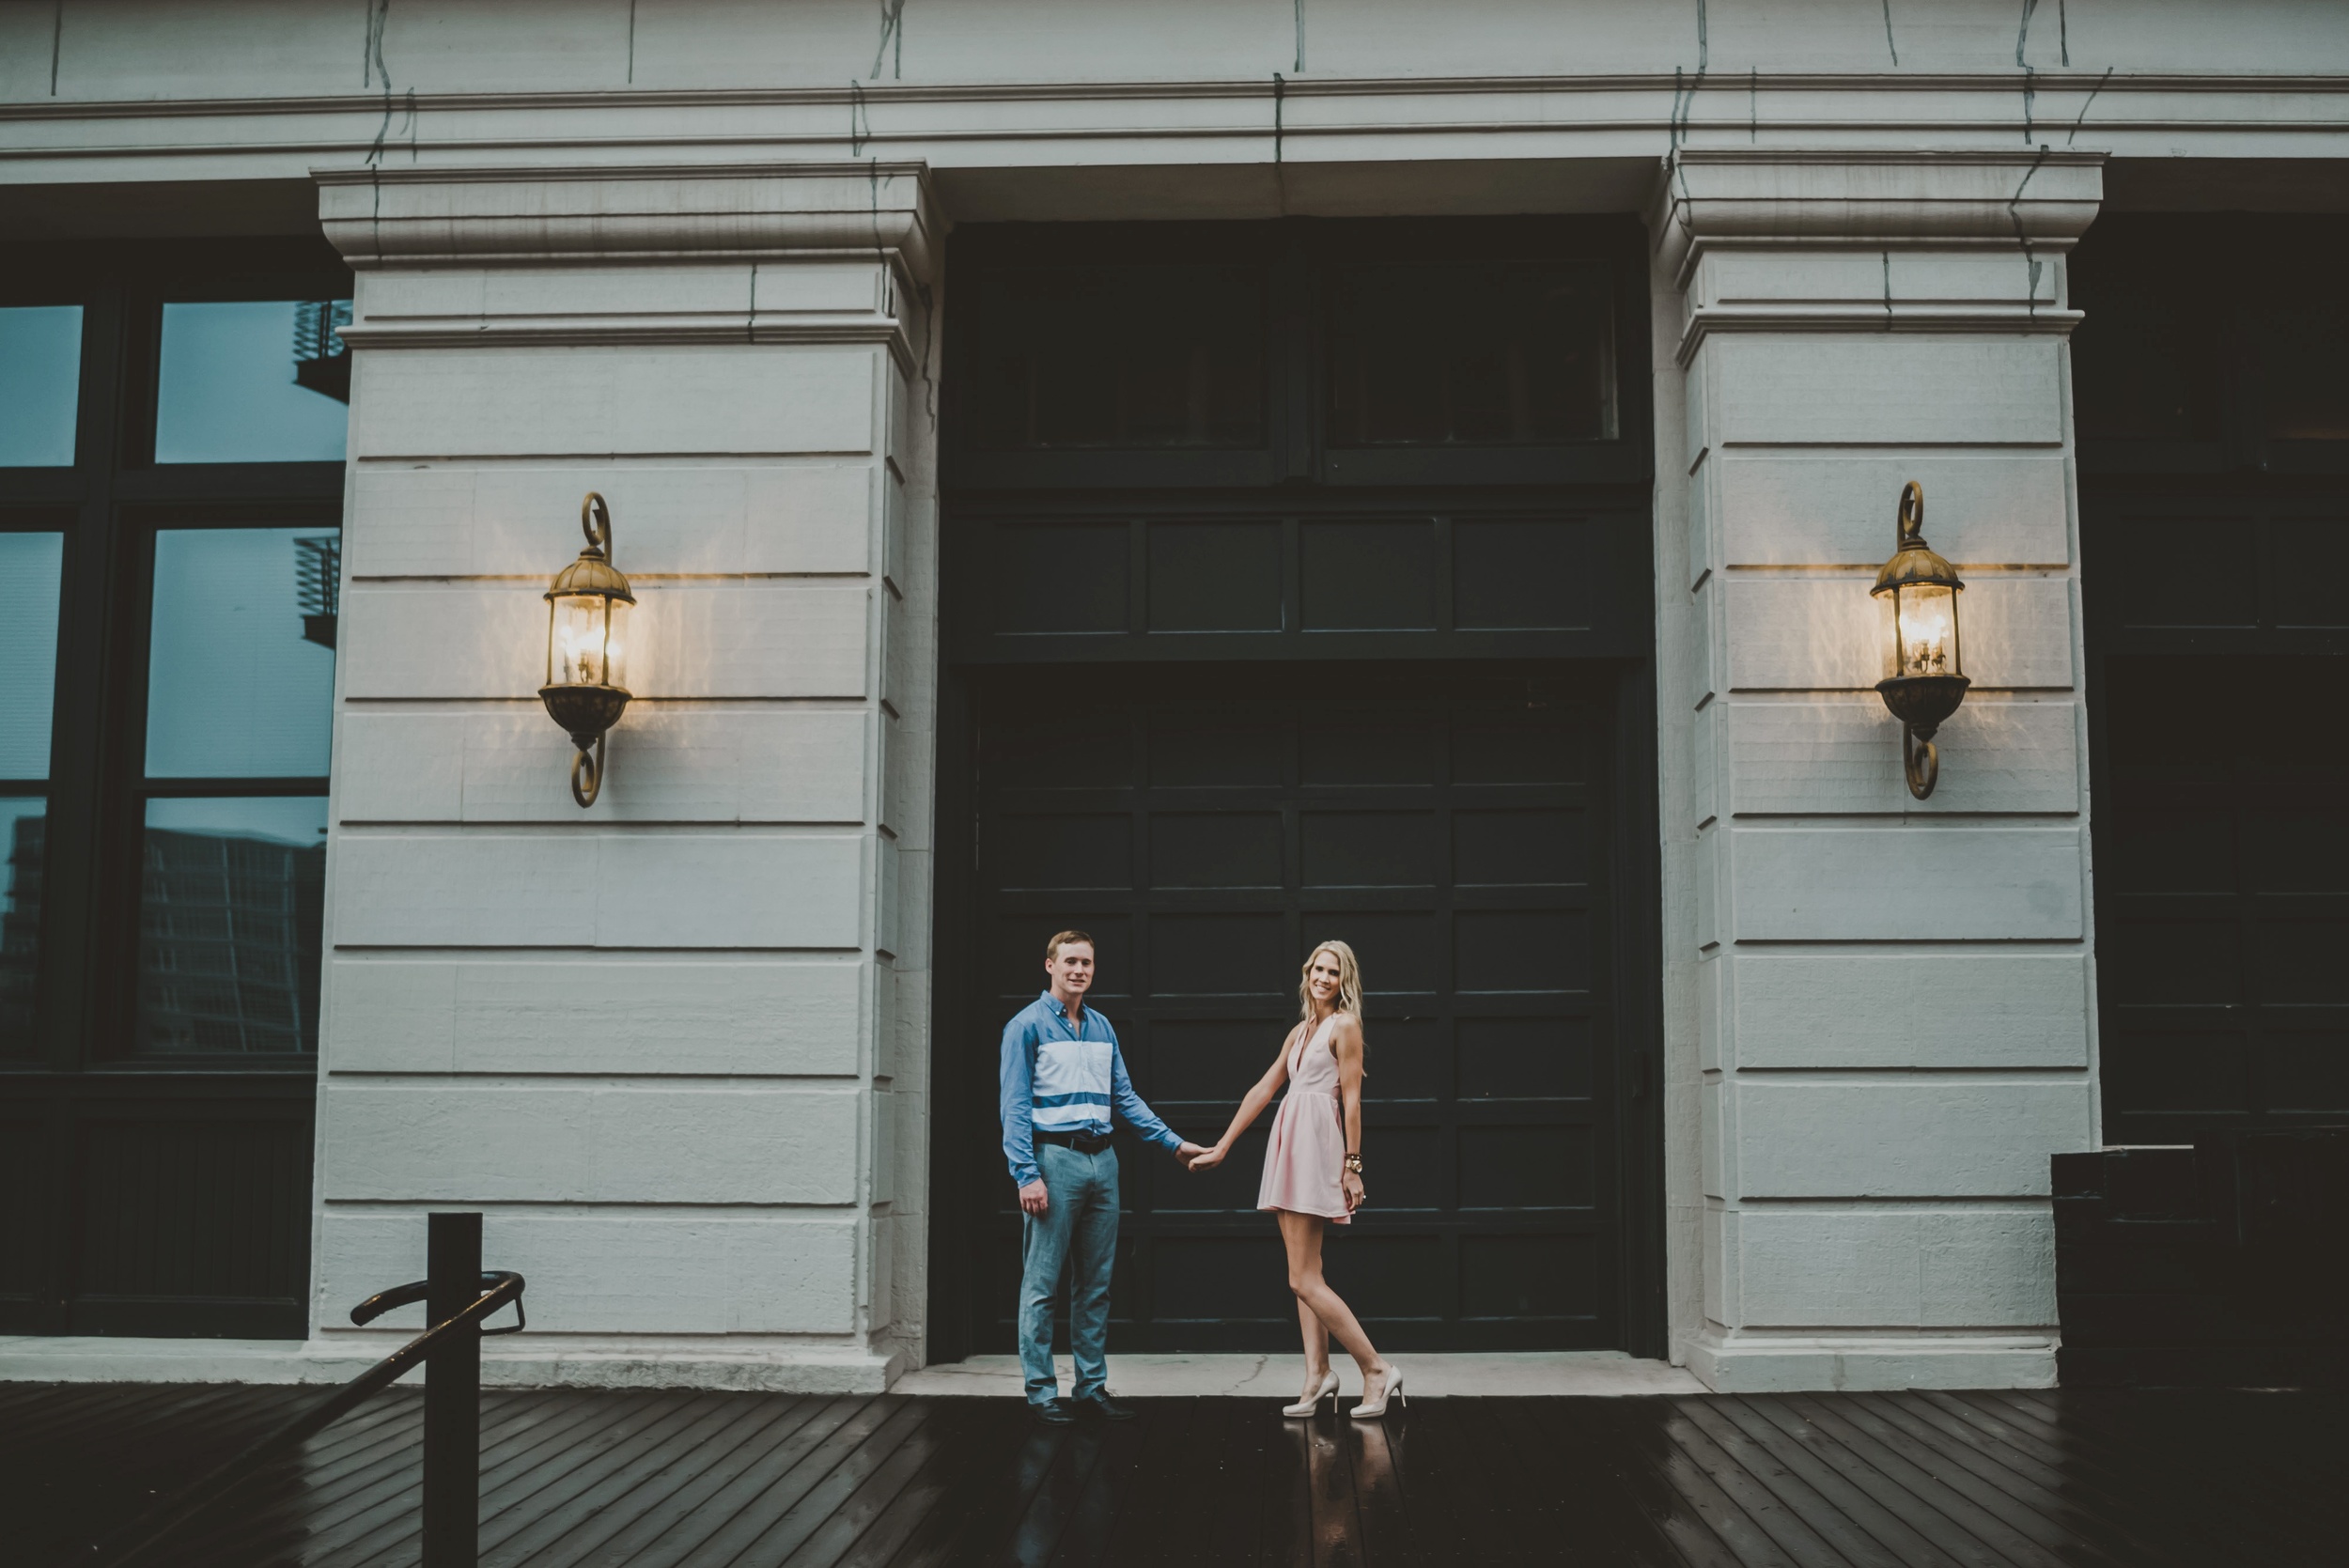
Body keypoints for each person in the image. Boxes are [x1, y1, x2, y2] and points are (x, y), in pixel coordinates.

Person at [1188, 940, 1403, 1419]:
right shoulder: (1301, 1030)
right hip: (1290, 1144)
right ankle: (1317, 1374)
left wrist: (1353, 1166)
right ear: (1307, 974)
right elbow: (1264, 1088)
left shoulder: (1344, 1025)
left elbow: (1351, 1100)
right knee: (1306, 1275)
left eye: (1333, 972)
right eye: (1318, 970)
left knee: (1303, 1279)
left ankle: (1375, 1370)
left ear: (1344, 980)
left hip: (1317, 1147)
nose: (1324, 978)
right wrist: (1223, 1145)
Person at [1000, 928, 1206, 1425]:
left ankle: (1090, 1387)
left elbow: (1126, 1099)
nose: (1079, 970)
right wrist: (1026, 1174)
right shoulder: (1025, 1027)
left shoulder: (1101, 1027)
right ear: (1049, 965)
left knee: (1095, 1285)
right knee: (1043, 1283)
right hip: (1054, 1161)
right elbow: (1014, 1107)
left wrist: (1173, 1143)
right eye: (1069, 961)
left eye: (1086, 963)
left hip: (1102, 1161)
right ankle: (1041, 1392)